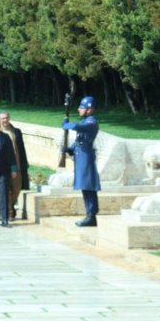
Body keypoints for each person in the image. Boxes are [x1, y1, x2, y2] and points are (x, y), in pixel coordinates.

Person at [64, 96, 101, 227]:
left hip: (86, 158)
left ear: (89, 109)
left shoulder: (92, 122)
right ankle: (89, 214)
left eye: (82, 107)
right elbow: (79, 140)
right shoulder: (86, 121)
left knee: (89, 187)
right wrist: (69, 149)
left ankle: (91, 215)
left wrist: (69, 125)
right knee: (84, 187)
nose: (79, 109)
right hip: (81, 158)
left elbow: (79, 127)